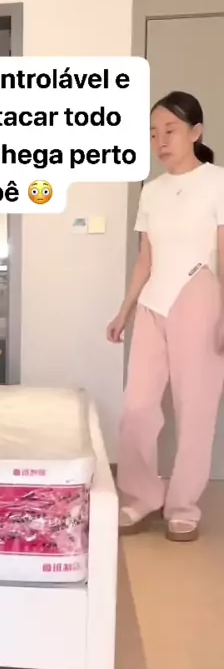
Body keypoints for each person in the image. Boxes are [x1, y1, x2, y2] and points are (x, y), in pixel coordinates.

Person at [107, 91, 224, 542]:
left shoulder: (217, 182)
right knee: (137, 407)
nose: (160, 140)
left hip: (201, 296)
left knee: (195, 409)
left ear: (196, 132)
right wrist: (125, 309)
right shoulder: (151, 190)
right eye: (153, 133)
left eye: (170, 130)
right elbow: (145, 259)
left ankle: (183, 506)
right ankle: (141, 497)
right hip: (153, 304)